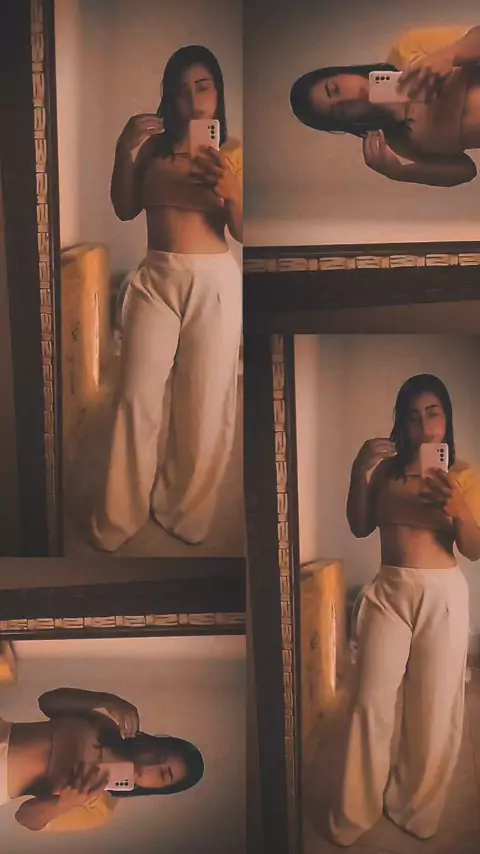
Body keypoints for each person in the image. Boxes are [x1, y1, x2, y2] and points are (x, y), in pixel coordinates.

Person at [91, 44, 242, 551]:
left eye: (202, 87)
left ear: (218, 92)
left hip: (214, 284)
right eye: (180, 91)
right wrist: (123, 149)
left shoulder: (234, 152)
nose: (192, 101)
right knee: (134, 398)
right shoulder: (153, 151)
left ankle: (183, 511)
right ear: (168, 99)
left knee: (204, 403)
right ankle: (118, 516)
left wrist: (231, 189)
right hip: (156, 279)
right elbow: (124, 207)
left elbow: (245, 231)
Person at [328, 374, 480, 846]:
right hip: (388, 593)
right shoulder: (385, 472)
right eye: (413, 417)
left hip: (443, 597)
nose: (425, 426)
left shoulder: (464, 474)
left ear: (447, 419)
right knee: (368, 703)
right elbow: (359, 526)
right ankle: (354, 813)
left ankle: (414, 807)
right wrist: (359, 470)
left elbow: (474, 549)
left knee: (433, 709)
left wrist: (459, 507)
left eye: (433, 413)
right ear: (401, 423)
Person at [290, 25, 480, 186]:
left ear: (340, 73)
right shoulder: (398, 139)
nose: (346, 100)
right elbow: (466, 171)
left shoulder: (407, 50)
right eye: (339, 111)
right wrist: (400, 173)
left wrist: (449, 55)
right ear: (346, 122)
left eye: (335, 89)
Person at [1, 687, 204, 832]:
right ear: (153, 744)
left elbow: (24, 818)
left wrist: (63, 804)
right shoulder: (106, 728)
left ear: (158, 789)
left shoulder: (100, 808)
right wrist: (106, 700)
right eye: (159, 755)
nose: (151, 765)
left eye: (163, 774)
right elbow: (47, 702)